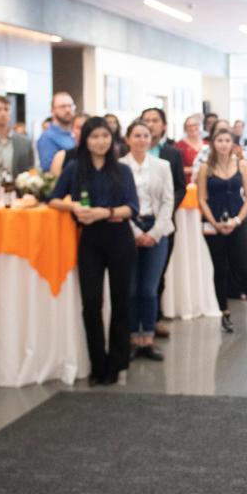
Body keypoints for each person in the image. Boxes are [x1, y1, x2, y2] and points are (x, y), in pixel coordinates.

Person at [49, 117, 139, 386]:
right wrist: (74, 208)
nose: (100, 141)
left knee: (121, 302)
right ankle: (97, 362)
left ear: (112, 139)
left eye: (105, 136)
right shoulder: (75, 168)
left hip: (120, 238)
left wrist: (106, 212)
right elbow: (52, 198)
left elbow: (132, 207)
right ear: (85, 140)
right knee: (91, 303)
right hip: (90, 240)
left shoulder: (122, 171)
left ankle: (118, 362)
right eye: (94, 136)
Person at [197, 127, 247, 335]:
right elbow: (201, 198)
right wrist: (213, 222)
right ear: (213, 144)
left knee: (244, 269)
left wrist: (238, 220)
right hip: (213, 225)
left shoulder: (242, 165)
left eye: (226, 140)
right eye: (219, 140)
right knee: (219, 269)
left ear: (233, 144)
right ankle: (224, 313)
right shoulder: (205, 167)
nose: (223, 144)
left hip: (237, 222)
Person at [120, 120, 174, 361]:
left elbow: (167, 202)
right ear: (128, 139)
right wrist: (134, 232)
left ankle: (148, 338)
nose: (142, 140)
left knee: (149, 289)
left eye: (146, 136)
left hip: (156, 229)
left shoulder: (162, 166)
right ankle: (133, 337)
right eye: (137, 135)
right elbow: (117, 202)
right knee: (130, 288)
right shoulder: (120, 166)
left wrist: (154, 233)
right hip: (128, 228)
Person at [140, 107, 186, 339]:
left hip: (165, 221)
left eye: (155, 120)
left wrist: (166, 212)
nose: (150, 124)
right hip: (137, 222)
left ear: (164, 125)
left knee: (158, 273)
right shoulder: (130, 153)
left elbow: (180, 187)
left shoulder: (172, 153)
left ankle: (155, 318)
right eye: (146, 120)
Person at [37, 91, 77, 169]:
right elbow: (49, 171)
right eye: (63, 106)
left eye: (70, 106)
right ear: (53, 110)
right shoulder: (47, 137)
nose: (68, 110)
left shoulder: (75, 133)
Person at [177, 113, 205, 182]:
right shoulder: (179, 146)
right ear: (185, 128)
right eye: (189, 126)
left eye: (195, 125)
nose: (192, 128)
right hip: (188, 183)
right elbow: (177, 169)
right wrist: (196, 169)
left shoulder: (207, 144)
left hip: (206, 181)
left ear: (199, 126)